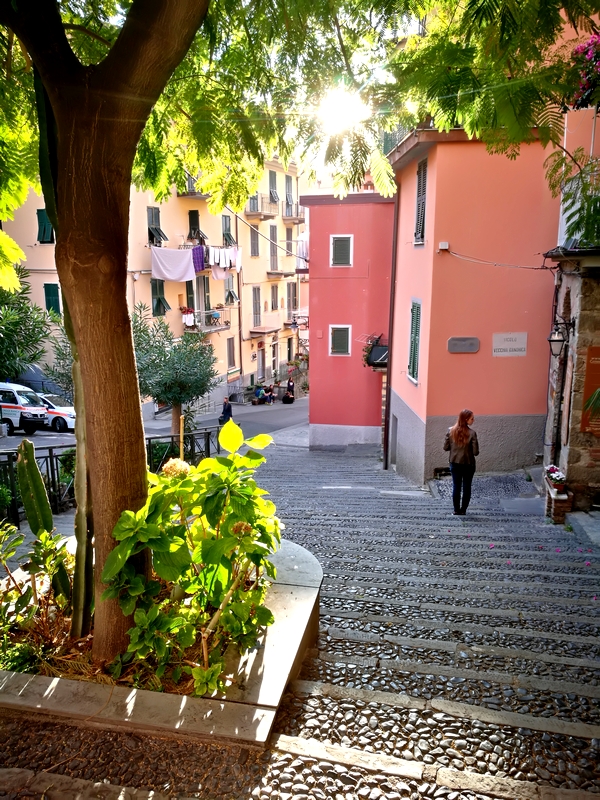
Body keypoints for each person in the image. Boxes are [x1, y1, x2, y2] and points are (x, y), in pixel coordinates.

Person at [443, 409, 479, 515]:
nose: (474, 420)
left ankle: (456, 510)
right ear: (466, 419)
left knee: (456, 486)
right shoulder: (472, 433)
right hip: (468, 464)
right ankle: (463, 510)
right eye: (472, 418)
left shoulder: (450, 431)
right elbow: (476, 452)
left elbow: (445, 447)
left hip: (454, 463)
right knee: (467, 486)